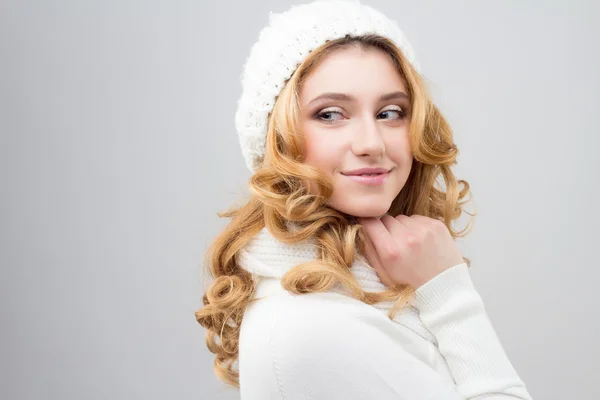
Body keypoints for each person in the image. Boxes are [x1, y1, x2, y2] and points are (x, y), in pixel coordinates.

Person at [195, 0, 533, 398]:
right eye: (330, 114)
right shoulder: (312, 329)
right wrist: (451, 297)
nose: (372, 143)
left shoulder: (362, 288)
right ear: (279, 138)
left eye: (391, 112)